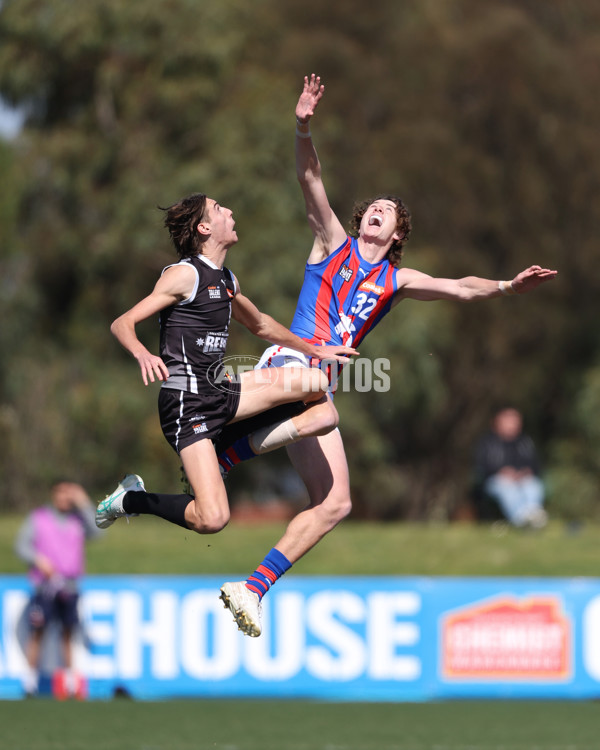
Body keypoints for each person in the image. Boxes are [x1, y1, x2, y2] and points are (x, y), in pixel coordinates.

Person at [216, 73, 557, 637]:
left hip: (315, 385)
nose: (374, 211)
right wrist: (302, 126)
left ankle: (250, 589)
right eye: (370, 207)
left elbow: (459, 287)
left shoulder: (397, 279)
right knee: (322, 411)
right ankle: (223, 452)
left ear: (397, 232)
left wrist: (505, 287)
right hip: (290, 365)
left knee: (336, 504)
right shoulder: (331, 242)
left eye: (385, 210)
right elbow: (310, 176)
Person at [96, 194, 356, 571]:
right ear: (204, 228)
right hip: (187, 404)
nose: (230, 212)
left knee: (320, 397)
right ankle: (130, 500)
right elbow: (122, 323)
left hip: (222, 391)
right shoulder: (184, 275)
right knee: (212, 518)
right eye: (219, 210)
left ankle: (227, 454)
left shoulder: (227, 280)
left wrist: (320, 350)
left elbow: (262, 325)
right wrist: (143, 354)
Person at [15, 481, 100, 697]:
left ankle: (70, 683)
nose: (64, 498)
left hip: (70, 586)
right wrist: (38, 560)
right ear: (54, 494)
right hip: (45, 586)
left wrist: (83, 502)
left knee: (68, 633)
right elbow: (21, 546)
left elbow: (98, 532)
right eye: (61, 493)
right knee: (38, 632)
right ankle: (30, 683)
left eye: (68, 494)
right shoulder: (39, 518)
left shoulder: (78, 519)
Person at [473, 406, 547, 528]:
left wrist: (526, 472)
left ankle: (533, 516)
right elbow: (482, 466)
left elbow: (535, 464)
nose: (512, 424)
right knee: (507, 489)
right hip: (496, 480)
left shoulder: (525, 441)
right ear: (498, 421)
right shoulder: (487, 442)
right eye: (508, 420)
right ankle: (521, 520)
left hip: (522, 479)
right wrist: (501, 472)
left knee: (532, 486)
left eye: (515, 420)